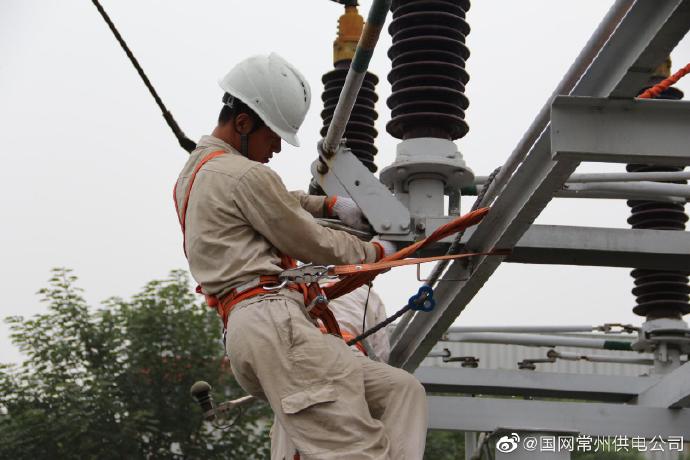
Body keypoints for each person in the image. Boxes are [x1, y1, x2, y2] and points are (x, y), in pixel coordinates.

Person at [174, 53, 427, 459]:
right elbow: (312, 242)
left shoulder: (202, 173)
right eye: (273, 135)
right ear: (243, 123)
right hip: (274, 324)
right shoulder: (244, 176)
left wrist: (327, 204)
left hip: (259, 328)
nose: (277, 147)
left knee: (400, 391)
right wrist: (376, 252)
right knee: (356, 452)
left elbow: (275, 199)